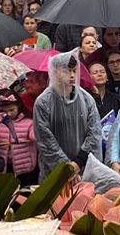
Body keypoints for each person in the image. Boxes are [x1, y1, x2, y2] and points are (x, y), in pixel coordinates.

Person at [34, 52, 101, 183]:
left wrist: (78, 163)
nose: (71, 75)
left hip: (83, 168)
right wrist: (66, 168)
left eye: (74, 71)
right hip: (54, 173)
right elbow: (45, 140)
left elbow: (94, 132)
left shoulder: (87, 99)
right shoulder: (43, 102)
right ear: (54, 72)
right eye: (66, 71)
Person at [0, 94, 38, 185]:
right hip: (5, 165)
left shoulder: (28, 121)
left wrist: (35, 135)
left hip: (24, 166)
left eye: (11, 110)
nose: (9, 114)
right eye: (5, 111)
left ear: (18, 106)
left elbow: (35, 136)